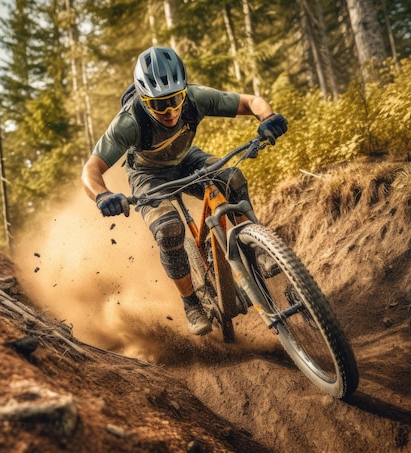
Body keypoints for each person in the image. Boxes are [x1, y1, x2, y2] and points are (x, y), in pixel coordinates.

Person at [81, 46, 287, 336]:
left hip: (187, 160)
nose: (170, 111)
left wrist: (268, 117)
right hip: (148, 176)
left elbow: (251, 101)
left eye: (175, 100)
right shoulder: (129, 122)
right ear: (144, 100)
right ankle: (191, 303)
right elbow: (91, 169)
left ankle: (256, 246)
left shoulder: (195, 98)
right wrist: (103, 195)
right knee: (168, 231)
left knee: (233, 179)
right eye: (158, 105)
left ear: (184, 91)